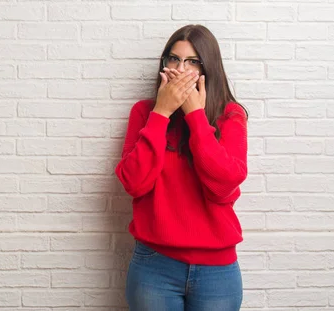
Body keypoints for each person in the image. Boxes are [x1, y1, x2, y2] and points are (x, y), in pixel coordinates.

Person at [115, 24, 248, 311]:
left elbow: (222, 188)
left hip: (217, 270)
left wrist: (196, 117)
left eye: (192, 62)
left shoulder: (230, 116)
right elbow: (134, 183)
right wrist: (161, 113)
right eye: (173, 59)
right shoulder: (144, 112)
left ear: (207, 68)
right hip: (154, 266)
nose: (179, 69)